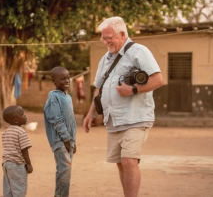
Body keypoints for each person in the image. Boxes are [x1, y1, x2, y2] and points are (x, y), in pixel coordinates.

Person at [83, 16, 164, 197]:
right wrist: (90, 114)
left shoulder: (139, 51)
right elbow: (99, 88)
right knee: (121, 162)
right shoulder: (105, 59)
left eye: (109, 37)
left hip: (135, 117)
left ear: (122, 34)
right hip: (113, 119)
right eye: (103, 38)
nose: (105, 42)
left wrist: (133, 89)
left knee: (128, 160)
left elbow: (158, 79)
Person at [43, 66, 77, 197]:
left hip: (68, 140)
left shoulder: (67, 97)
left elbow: (71, 121)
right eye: (62, 79)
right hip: (59, 141)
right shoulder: (53, 97)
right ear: (54, 81)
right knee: (65, 171)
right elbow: (56, 119)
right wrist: (66, 139)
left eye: (68, 78)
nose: (66, 81)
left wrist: (73, 141)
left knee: (63, 171)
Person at [2, 105, 33, 197]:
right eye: (22, 114)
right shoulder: (21, 132)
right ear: (15, 120)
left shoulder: (6, 132)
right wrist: (29, 164)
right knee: (19, 190)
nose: (25, 116)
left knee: (8, 190)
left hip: (6, 164)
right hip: (17, 165)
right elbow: (24, 150)